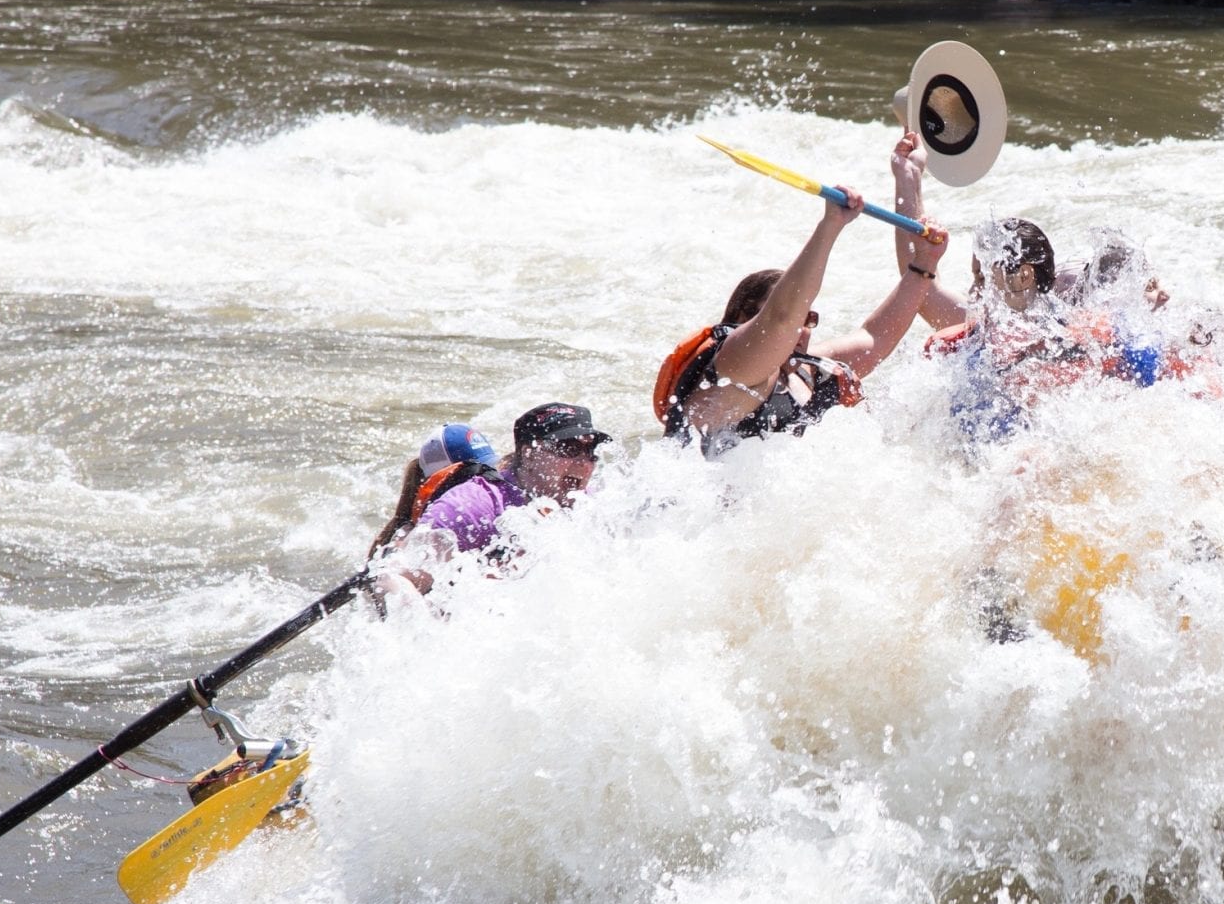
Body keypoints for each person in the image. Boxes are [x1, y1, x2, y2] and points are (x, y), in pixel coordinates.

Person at [892, 156, 1224, 551]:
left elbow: (1161, 370)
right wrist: (909, 181)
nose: (974, 287)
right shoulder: (981, 327)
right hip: (1026, 463)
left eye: (984, 275)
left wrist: (1204, 341)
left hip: (1107, 448)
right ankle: (990, 589)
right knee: (1032, 459)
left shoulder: (1088, 324)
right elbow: (916, 280)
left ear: (1023, 276)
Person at [655, 137, 948, 455]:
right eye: (799, 315)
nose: (802, 327)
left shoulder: (808, 371)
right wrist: (831, 225)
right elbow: (780, 320)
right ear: (743, 318)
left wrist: (924, 264)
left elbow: (874, 338)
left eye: (809, 318)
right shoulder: (731, 369)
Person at [380, 402, 611, 598]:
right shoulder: (471, 505)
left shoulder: (596, 504)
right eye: (568, 448)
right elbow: (390, 581)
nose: (584, 463)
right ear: (528, 454)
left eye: (590, 451)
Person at [366, 422, 501, 559]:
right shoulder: (412, 542)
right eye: (478, 475)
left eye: (491, 470)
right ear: (442, 481)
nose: (485, 484)